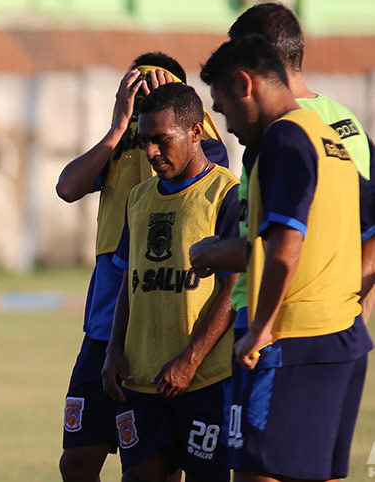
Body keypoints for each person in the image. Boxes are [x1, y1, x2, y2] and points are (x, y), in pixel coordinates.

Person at [200, 34, 372, 481]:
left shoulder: (283, 139)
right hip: (343, 339)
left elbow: (285, 247)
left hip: (289, 342)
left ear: (244, 84)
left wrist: (259, 330)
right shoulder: (328, 138)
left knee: (257, 473)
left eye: (222, 107)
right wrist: (356, 301)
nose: (229, 126)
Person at [54, 52, 229, 481]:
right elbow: (67, 187)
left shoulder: (203, 155)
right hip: (108, 322)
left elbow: (210, 178)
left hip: (172, 325)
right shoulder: (124, 150)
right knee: (78, 460)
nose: (151, 150)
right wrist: (119, 126)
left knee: (158, 462)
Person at [100, 83, 238, 482]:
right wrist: (113, 350)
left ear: (196, 132)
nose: (151, 153)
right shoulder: (139, 196)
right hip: (142, 379)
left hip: (203, 381)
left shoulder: (226, 193)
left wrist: (189, 360)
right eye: (145, 142)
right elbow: (130, 278)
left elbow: (233, 288)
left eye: (161, 140)